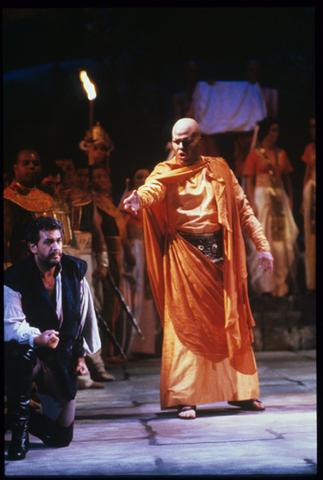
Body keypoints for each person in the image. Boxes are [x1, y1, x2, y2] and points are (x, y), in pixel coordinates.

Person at [123, 118, 273, 419]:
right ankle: (185, 396)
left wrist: (263, 245)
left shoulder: (218, 168)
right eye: (175, 141)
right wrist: (140, 197)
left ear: (198, 140)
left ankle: (240, 393)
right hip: (184, 257)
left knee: (230, 324)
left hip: (220, 259)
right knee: (185, 327)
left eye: (186, 141)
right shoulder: (165, 172)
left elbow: (243, 208)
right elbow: (154, 189)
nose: (180, 146)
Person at [4, 216, 101, 460]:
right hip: (30, 353)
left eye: (58, 240)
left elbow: (80, 320)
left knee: (61, 437)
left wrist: (80, 355)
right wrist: (37, 338)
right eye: (48, 242)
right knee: (22, 354)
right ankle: (19, 434)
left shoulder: (73, 272)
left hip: (61, 357)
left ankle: (12, 419)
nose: (56, 247)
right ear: (33, 247)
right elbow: (11, 326)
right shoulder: (15, 277)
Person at [243, 116, 299, 297]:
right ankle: (266, 285)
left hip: (279, 200)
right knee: (263, 238)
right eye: (273, 130)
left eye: (277, 130)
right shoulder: (255, 154)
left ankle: (280, 284)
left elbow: (287, 178)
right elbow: (248, 179)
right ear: (266, 131)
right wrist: (251, 202)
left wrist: (290, 198)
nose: (276, 134)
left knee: (282, 241)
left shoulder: (281, 153)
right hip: (262, 198)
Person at [91, 164, 136, 364]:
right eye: (97, 176)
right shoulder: (94, 201)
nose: (102, 179)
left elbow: (121, 229)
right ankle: (105, 352)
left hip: (117, 254)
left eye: (104, 176)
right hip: (107, 254)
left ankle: (111, 349)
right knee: (109, 300)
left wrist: (127, 251)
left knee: (116, 302)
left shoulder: (110, 202)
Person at [119, 169, 162, 357]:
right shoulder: (131, 196)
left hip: (150, 247)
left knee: (148, 294)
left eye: (146, 177)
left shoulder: (152, 196)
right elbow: (122, 225)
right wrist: (127, 248)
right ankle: (133, 346)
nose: (143, 180)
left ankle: (146, 346)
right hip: (136, 246)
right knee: (135, 291)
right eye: (139, 177)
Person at [4, 150, 54, 267]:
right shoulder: (7, 199)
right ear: (16, 168)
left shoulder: (47, 199)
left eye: (35, 164)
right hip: (20, 266)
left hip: (46, 265)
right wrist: (7, 267)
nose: (31, 167)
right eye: (26, 163)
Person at [301, 117, 316, 294]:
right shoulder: (309, 149)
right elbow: (307, 174)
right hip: (312, 192)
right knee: (311, 238)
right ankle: (312, 283)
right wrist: (304, 203)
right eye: (311, 127)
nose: (313, 130)